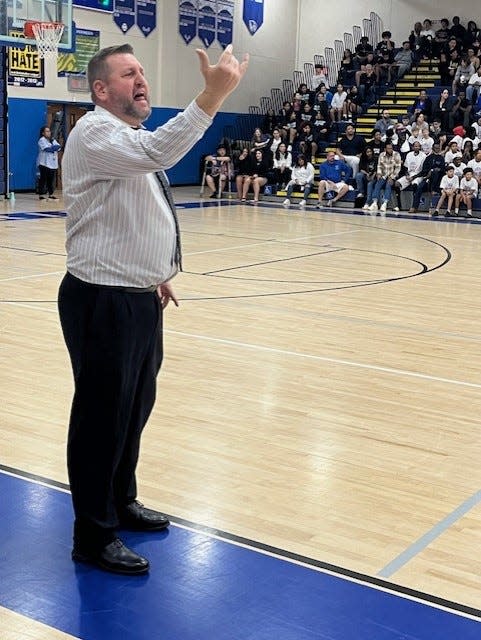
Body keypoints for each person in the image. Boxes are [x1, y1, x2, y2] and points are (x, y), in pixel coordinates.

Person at [57, 43, 248, 576]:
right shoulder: (96, 133)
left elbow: (134, 209)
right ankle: (92, 536)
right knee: (101, 418)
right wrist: (211, 97)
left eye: (143, 70)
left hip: (137, 295)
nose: (141, 79)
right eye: (128, 73)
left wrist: (155, 270)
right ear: (102, 90)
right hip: (102, 300)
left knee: (133, 409)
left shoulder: (125, 137)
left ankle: (120, 502)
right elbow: (160, 154)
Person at [369, 142, 402, 212]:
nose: (390, 150)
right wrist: (379, 173)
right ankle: (374, 203)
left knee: (388, 184)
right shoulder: (381, 155)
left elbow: (398, 168)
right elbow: (379, 166)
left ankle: (385, 203)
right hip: (383, 175)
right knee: (378, 184)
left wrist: (392, 177)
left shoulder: (396, 154)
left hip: (393, 175)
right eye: (388, 148)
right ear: (385, 149)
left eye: (391, 148)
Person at [37, 126, 61, 200]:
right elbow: (47, 149)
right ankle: (41, 195)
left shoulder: (52, 140)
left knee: (51, 180)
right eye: (47, 131)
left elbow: (59, 147)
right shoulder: (41, 140)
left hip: (52, 164)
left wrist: (53, 148)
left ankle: (51, 194)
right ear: (43, 133)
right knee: (43, 179)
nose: (49, 133)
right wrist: (54, 148)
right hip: (44, 163)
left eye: (49, 131)